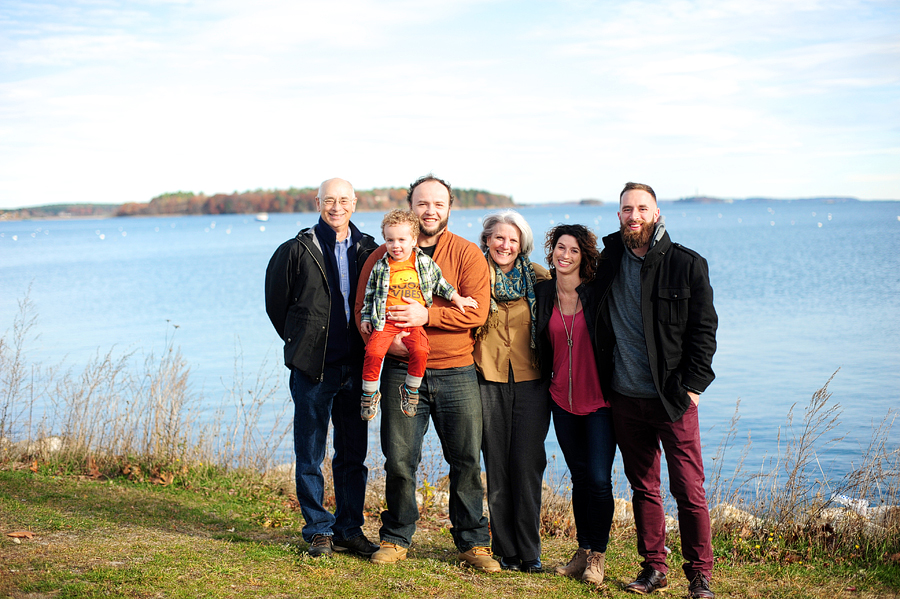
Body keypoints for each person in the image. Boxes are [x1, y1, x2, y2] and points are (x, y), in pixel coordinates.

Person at [354, 175, 498, 572]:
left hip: (456, 373)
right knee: (399, 460)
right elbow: (362, 307)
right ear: (410, 209)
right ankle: (396, 537)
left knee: (466, 459)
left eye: (438, 203)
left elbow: (476, 311)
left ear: (449, 206)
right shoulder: (382, 256)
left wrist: (426, 315)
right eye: (422, 203)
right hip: (401, 371)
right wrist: (383, 337)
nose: (430, 210)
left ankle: (473, 542)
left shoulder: (468, 254)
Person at [595, 182, 718, 598]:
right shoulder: (608, 259)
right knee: (643, 487)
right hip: (625, 398)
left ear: (657, 213)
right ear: (618, 216)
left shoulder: (686, 264)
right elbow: (569, 275)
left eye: (642, 208)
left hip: (673, 398)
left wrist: (694, 386)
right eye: (627, 209)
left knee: (688, 489)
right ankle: (654, 569)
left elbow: (704, 332)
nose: (634, 216)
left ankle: (700, 576)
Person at [265, 178, 380, 558]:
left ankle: (348, 528)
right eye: (329, 200)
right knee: (310, 453)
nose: (336, 206)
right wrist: (302, 343)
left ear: (354, 203)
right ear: (318, 202)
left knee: (353, 456)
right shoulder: (296, 249)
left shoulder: (370, 250)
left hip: (358, 368)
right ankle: (318, 529)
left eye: (343, 200)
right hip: (314, 370)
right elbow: (276, 305)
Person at [535, 224, 616, 587]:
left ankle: (597, 555)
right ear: (552, 252)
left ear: (584, 257)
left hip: (600, 402)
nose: (565, 256)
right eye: (559, 248)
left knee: (599, 480)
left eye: (573, 250)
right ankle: (582, 551)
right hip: (561, 401)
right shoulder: (543, 292)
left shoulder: (598, 293)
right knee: (580, 478)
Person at [472, 210, 551, 573]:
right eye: (498, 237)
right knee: (498, 466)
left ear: (522, 245)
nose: (505, 245)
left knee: (528, 464)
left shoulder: (539, 277)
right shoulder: (472, 275)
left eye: (513, 239)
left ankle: (530, 551)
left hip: (532, 380)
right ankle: (505, 550)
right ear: (487, 239)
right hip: (486, 379)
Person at [359, 209, 478, 420]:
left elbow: (441, 284)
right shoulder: (380, 265)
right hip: (386, 322)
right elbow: (370, 294)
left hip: (413, 323)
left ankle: (411, 390)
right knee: (373, 352)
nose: (396, 245)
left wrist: (457, 299)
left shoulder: (423, 263)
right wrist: (366, 318)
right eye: (390, 240)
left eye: (402, 240)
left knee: (421, 350)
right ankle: (369, 393)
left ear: (414, 239)